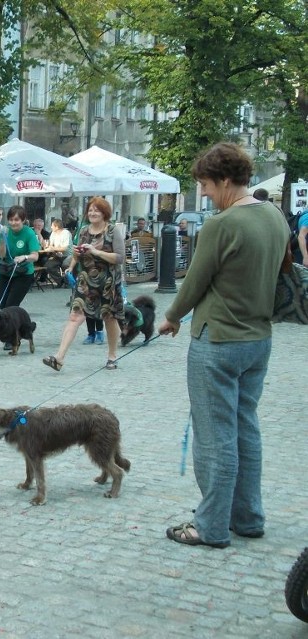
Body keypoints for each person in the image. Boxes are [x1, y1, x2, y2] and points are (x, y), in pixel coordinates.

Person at [158, 142, 289, 548]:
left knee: (215, 438)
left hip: (217, 342)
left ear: (227, 180)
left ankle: (211, 526)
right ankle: (248, 517)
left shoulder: (222, 224)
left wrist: (171, 317)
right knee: (245, 429)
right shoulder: (274, 216)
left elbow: (195, 281)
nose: (207, 194)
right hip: (258, 340)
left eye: (208, 185)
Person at [42, 196, 125, 372]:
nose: (93, 213)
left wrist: (96, 251)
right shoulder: (85, 231)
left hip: (108, 281)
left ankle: (112, 356)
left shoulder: (112, 231)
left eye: (97, 210)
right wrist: (71, 266)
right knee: (75, 316)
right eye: (91, 210)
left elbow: (120, 257)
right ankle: (59, 358)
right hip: (86, 280)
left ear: (104, 213)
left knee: (109, 318)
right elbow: (77, 254)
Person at [0, 205, 41, 311]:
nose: (13, 223)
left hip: (23, 274)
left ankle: (12, 326)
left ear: (23, 220)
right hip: (7, 271)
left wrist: (24, 257)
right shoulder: (5, 232)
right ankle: (2, 327)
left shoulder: (29, 233)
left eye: (16, 220)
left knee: (10, 307)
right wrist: (2, 239)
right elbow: (1, 255)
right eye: (10, 220)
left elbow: (35, 256)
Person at [44, 218, 73, 285]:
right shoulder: (53, 233)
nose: (51, 227)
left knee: (65, 264)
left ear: (56, 227)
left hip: (68, 255)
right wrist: (48, 247)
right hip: (57, 255)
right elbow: (51, 245)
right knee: (48, 266)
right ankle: (60, 281)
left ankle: (68, 282)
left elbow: (64, 248)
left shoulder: (66, 233)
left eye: (52, 226)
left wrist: (53, 248)